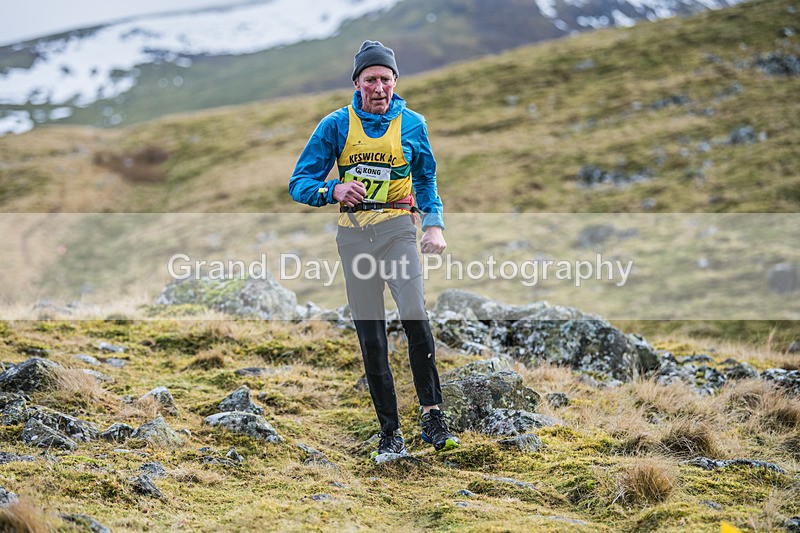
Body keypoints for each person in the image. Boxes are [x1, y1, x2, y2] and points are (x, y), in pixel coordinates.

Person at [289, 40, 460, 457]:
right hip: (354, 238)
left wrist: (434, 225)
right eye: (370, 80)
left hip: (399, 230)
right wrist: (333, 188)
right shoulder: (335, 125)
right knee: (371, 336)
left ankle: (433, 417)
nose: (379, 87)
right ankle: (390, 433)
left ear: (395, 81)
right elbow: (299, 183)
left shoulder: (413, 125)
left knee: (415, 313)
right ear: (357, 83)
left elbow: (427, 183)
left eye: (385, 78)